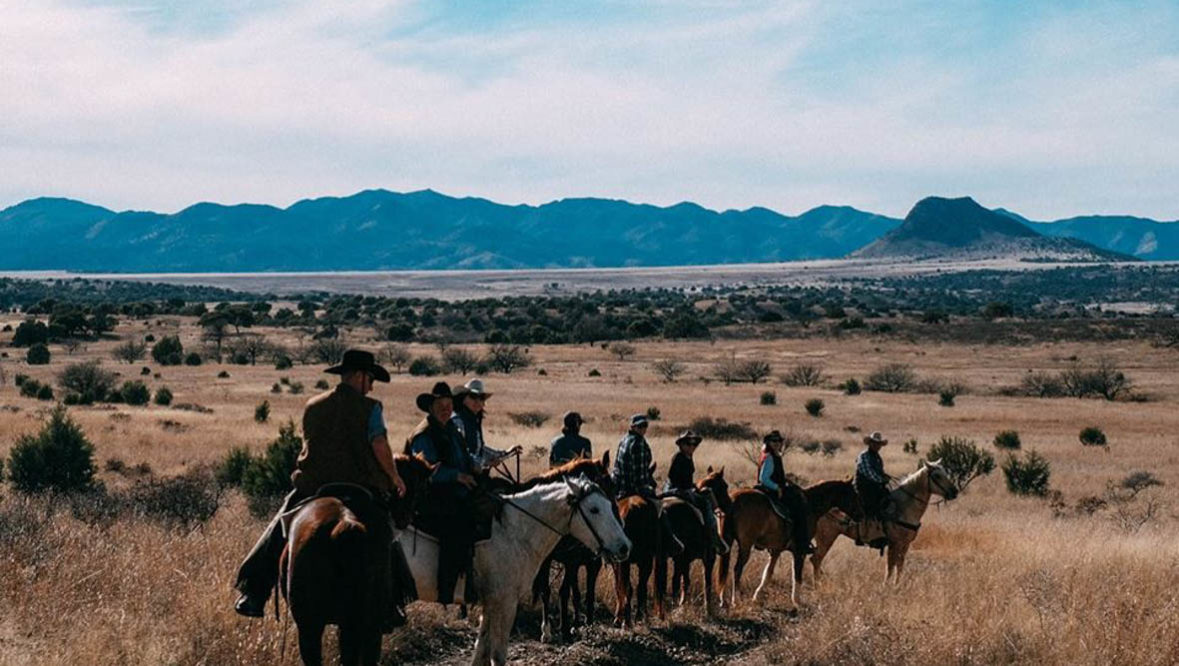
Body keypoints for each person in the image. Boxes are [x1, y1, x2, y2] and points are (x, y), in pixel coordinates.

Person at [233, 349, 407, 624]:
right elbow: (378, 443)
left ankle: (254, 590)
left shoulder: (313, 405)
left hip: (313, 486)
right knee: (386, 533)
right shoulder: (371, 407)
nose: (372, 385)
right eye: (371, 378)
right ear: (360, 376)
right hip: (359, 486)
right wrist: (394, 476)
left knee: (279, 527)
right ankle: (394, 600)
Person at [406, 381, 480, 605]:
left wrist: (475, 466)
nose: (446, 408)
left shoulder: (452, 430)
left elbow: (465, 457)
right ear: (431, 407)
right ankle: (447, 590)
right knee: (457, 526)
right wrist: (457, 476)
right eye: (441, 404)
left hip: (457, 491)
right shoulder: (424, 434)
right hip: (431, 497)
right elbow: (426, 470)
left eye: (449, 404)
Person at [611, 413, 684, 555]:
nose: (643, 428)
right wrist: (647, 487)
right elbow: (639, 473)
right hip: (635, 488)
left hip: (621, 489)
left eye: (645, 425)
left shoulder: (623, 440)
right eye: (640, 426)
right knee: (659, 507)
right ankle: (670, 540)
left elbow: (616, 467)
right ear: (633, 426)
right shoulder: (638, 443)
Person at [662, 430, 728, 554]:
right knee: (704, 504)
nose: (691, 447)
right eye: (688, 444)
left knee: (706, 492)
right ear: (681, 445)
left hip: (679, 487)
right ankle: (713, 535)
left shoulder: (688, 457)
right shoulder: (679, 457)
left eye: (694, 444)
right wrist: (689, 488)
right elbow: (673, 476)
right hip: (677, 489)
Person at [755, 430, 813, 555]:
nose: (777, 443)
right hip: (771, 490)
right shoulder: (770, 457)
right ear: (768, 442)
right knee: (799, 506)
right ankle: (800, 541)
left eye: (779, 441)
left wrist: (787, 481)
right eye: (774, 441)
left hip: (773, 488)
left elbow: (775, 475)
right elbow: (763, 478)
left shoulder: (771, 455)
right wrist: (778, 488)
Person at [452, 378, 521, 468]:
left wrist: (504, 454)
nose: (477, 401)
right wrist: (484, 463)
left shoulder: (473, 421)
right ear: (463, 399)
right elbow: (459, 454)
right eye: (473, 397)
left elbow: (480, 449)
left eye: (481, 398)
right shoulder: (457, 421)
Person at [855, 431, 892, 520]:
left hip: (874, 486)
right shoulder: (864, 456)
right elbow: (868, 472)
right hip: (863, 486)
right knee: (871, 502)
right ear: (870, 443)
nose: (877, 446)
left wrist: (884, 476)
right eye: (874, 443)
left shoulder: (878, 458)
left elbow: (879, 471)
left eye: (878, 444)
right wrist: (881, 480)